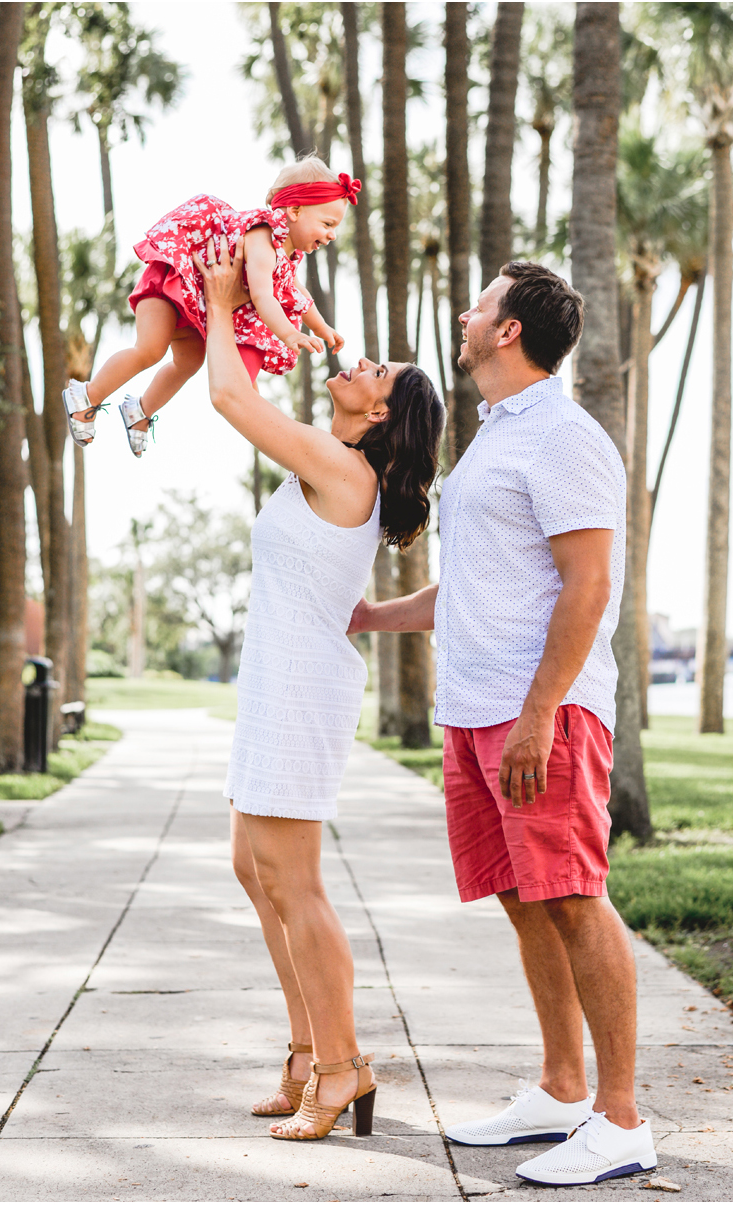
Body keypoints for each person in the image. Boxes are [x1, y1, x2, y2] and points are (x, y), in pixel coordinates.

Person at [347, 261, 653, 1185]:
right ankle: (561, 1090)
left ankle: (621, 1117)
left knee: (569, 893)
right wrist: (372, 615)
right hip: (475, 710)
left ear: (510, 329)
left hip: (537, 716)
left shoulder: (562, 436)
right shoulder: (495, 434)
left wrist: (539, 713)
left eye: (479, 304)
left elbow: (588, 584)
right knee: (523, 899)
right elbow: (480, 584)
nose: (464, 314)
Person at [197, 236, 444, 1141]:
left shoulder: (344, 469)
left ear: (377, 414)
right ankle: (306, 1053)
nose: (356, 360)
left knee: (296, 885)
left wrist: (223, 301)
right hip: (279, 675)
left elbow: (228, 395)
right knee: (252, 869)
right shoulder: (336, 465)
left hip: (298, 685)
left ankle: (343, 1067)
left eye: (374, 368)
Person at [63, 156, 354, 457]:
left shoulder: (285, 253)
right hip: (171, 283)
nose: (332, 234)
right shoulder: (262, 237)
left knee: (189, 362)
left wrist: (322, 327)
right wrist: (289, 335)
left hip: (194, 307)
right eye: (328, 223)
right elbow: (262, 296)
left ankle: (139, 410)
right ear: (295, 210)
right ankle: (86, 395)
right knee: (151, 349)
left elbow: (295, 291)